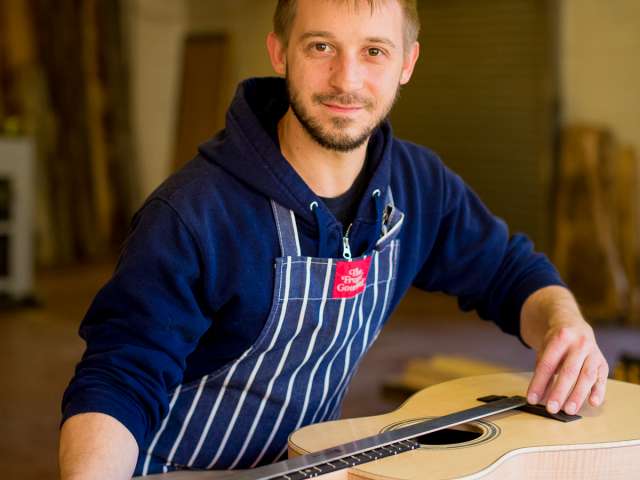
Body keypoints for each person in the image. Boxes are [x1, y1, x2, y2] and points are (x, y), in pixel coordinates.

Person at [59, 0, 609, 478]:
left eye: (374, 51)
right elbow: (119, 378)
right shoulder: (193, 213)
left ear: (407, 63)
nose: (347, 80)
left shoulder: (418, 186)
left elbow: (509, 273)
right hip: (176, 471)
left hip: (306, 468)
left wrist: (564, 323)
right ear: (279, 54)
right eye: (321, 46)